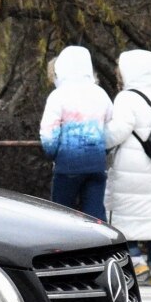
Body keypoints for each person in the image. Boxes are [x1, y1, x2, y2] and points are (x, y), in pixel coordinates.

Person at [104, 48, 151, 284]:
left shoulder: (126, 98)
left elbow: (119, 131)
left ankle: (136, 262)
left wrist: (99, 138)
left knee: (124, 217)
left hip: (130, 168)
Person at [37, 44, 112, 221]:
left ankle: (62, 248)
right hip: (96, 164)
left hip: (68, 164)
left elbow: (48, 134)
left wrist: (54, 154)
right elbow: (110, 127)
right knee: (95, 216)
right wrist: (102, 149)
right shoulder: (101, 94)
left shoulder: (58, 95)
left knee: (61, 215)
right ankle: (99, 247)